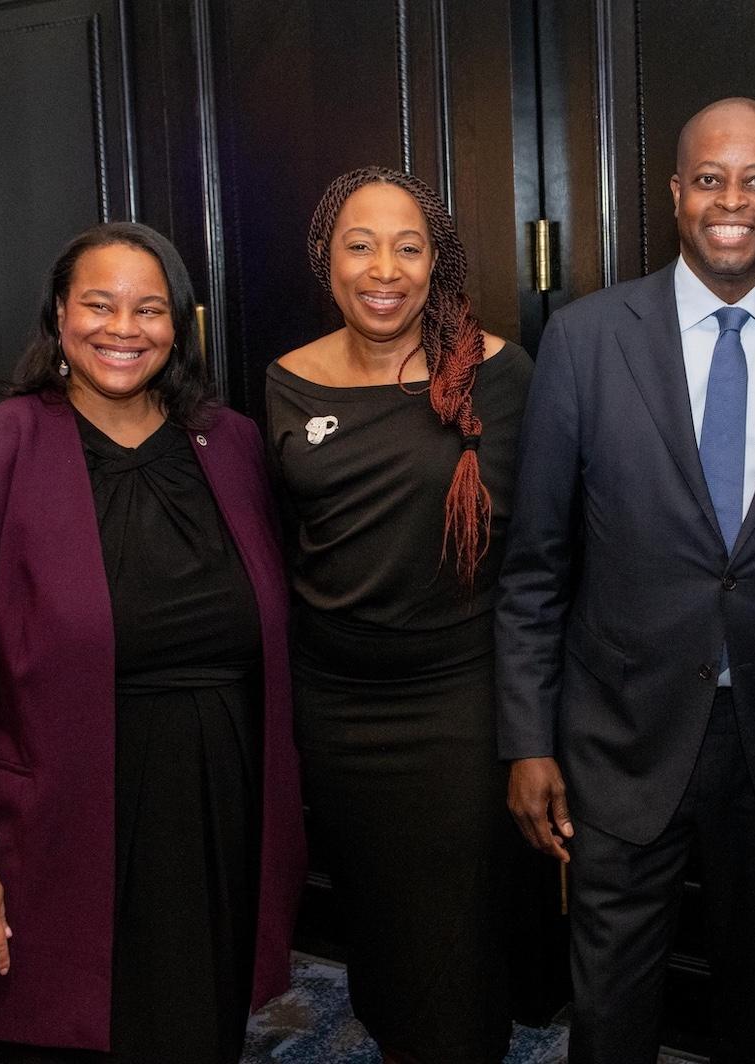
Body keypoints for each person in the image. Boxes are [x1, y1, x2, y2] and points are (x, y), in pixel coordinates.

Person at [0, 222, 307, 1062]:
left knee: (191, 1024)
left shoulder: (231, 447)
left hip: (214, 805)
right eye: (99, 305)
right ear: (58, 316)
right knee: (49, 1027)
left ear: (178, 327)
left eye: (149, 309)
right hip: (53, 816)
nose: (123, 328)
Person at [496, 97, 755, 1064]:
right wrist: (526, 740)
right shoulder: (582, 341)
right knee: (610, 1014)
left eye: (753, 181)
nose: (729, 201)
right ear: (674, 194)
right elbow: (535, 566)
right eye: (709, 179)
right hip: (620, 738)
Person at [265, 167, 533, 1064]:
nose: (385, 267)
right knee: (374, 911)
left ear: (436, 264)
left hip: (456, 695)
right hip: (333, 700)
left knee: (454, 923)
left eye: (408, 246)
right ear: (325, 261)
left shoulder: (498, 375)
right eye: (360, 244)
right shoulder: (284, 382)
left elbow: (546, 544)